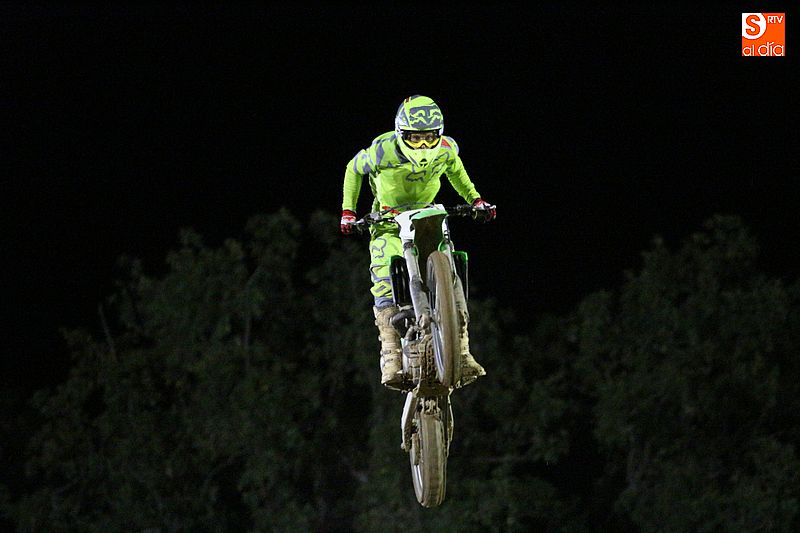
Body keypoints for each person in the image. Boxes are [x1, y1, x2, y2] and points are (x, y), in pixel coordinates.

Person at [340, 95, 496, 389]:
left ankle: (462, 350)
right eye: (415, 138)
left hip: (426, 214)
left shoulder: (446, 149)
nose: (423, 146)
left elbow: (457, 172)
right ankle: (390, 354)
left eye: (429, 138)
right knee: (382, 273)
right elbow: (353, 169)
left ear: (439, 134)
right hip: (388, 219)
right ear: (401, 134)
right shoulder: (382, 150)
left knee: (451, 258)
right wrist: (349, 211)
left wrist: (476, 200)